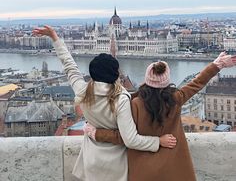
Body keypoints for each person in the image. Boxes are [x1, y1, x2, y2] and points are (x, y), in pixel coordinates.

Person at [32, 25, 177, 181]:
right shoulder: (120, 99)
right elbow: (131, 140)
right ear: (115, 74)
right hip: (115, 166)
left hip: (91, 162)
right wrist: (158, 141)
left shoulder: (83, 90)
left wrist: (55, 38)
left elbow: (69, 66)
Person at [84, 52, 236, 181]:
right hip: (175, 168)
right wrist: (218, 64)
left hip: (143, 171)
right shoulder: (177, 98)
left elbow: (124, 137)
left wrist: (96, 133)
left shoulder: (134, 104)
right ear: (167, 80)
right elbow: (197, 83)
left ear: (146, 80)